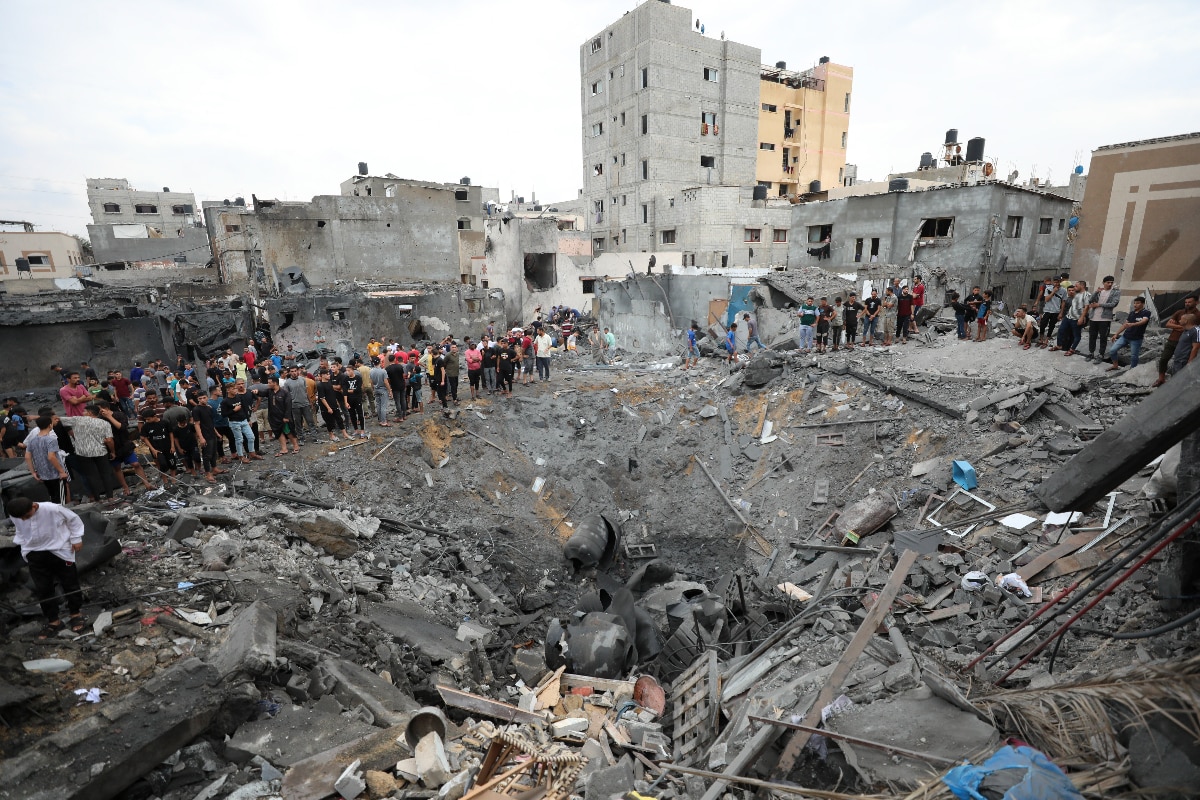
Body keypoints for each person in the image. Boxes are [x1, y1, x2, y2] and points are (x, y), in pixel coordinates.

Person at [6, 496, 87, 638]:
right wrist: (25, 546)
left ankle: (75, 613)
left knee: (70, 583)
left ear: (34, 507)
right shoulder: (17, 515)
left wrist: (76, 538)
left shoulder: (52, 509)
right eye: (21, 518)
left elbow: (73, 520)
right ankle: (53, 621)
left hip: (60, 550)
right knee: (43, 588)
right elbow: (20, 530)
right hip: (34, 553)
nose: (24, 520)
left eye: (27, 516)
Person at [60, 404, 117, 502]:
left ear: (90, 412)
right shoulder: (104, 423)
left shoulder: (77, 420)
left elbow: (58, 419)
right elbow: (109, 440)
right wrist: (112, 452)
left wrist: (36, 417)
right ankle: (110, 497)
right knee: (105, 474)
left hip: (83, 453)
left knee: (91, 475)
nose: (83, 413)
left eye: (84, 411)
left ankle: (97, 498)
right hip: (100, 451)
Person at [1154, 294, 1199, 387]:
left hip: (1187, 343)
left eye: (1190, 302)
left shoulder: (1198, 315)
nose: (1187, 304)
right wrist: (1183, 327)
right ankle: (1161, 379)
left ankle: (1182, 384)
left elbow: (1194, 329)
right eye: (1186, 302)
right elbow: (1168, 324)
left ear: (1196, 302)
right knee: (1163, 359)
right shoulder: (1179, 312)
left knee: (1182, 363)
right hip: (1173, 339)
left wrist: (1178, 327)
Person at [24, 415, 70, 504]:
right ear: (50, 425)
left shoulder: (33, 441)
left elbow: (27, 456)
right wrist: (61, 471)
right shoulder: (51, 440)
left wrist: (33, 472)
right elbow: (51, 457)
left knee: (52, 497)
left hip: (43, 474)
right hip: (55, 474)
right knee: (60, 500)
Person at [1106, 296, 1152, 371]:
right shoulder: (1132, 313)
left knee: (1134, 356)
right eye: (1134, 303)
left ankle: (1132, 370)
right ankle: (1115, 365)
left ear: (1143, 304)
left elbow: (1144, 321)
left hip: (1136, 339)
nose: (1135, 305)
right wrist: (1116, 334)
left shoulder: (1146, 313)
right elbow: (1125, 325)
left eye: (1138, 303)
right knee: (1112, 350)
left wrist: (1133, 324)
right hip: (1125, 337)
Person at [222, 381, 262, 461]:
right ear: (228, 390)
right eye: (233, 389)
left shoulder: (238, 397)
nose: (235, 390)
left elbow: (244, 408)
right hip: (234, 422)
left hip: (244, 420)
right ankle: (241, 456)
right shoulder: (225, 401)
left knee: (251, 437)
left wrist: (248, 419)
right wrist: (234, 410)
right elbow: (224, 414)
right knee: (239, 439)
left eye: (235, 388)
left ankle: (252, 453)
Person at [1085, 276, 1122, 361]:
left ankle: (1101, 354)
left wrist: (1099, 305)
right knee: (1092, 336)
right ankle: (1091, 353)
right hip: (1094, 317)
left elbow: (1113, 304)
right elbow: (1090, 301)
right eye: (1108, 282)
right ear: (1103, 283)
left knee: (1103, 337)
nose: (1110, 284)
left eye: (1111, 282)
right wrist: (1095, 292)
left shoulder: (1115, 292)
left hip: (1105, 318)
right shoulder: (1099, 291)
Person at [267, 375, 299, 455]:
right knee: (278, 433)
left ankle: (296, 446)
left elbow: (288, 405)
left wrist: (286, 416)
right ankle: (284, 448)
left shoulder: (285, 393)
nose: (268, 384)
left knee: (289, 431)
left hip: (283, 416)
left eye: (269, 383)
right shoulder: (269, 391)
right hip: (274, 417)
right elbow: (261, 392)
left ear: (275, 383)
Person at [316, 370, 348, 441]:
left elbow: (332, 393)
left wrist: (336, 401)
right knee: (329, 422)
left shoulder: (330, 383)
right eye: (327, 374)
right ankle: (331, 435)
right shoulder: (320, 385)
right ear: (323, 375)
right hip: (326, 407)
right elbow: (322, 398)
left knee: (339, 419)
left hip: (334, 404)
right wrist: (328, 408)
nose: (329, 375)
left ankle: (345, 434)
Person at [1166, 314, 1199, 378]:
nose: (1179, 320)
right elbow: (1169, 325)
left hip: (1184, 361)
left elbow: (1196, 347)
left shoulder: (1196, 331)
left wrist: (1190, 362)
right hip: (1178, 360)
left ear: (1186, 321)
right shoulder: (1186, 330)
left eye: (1181, 319)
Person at [1037, 276, 1066, 348]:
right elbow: (1046, 299)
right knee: (1043, 324)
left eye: (1058, 282)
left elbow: (1063, 302)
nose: (1057, 283)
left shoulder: (1064, 291)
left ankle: (1046, 340)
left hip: (1056, 311)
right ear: (1053, 282)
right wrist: (1053, 291)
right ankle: (1041, 339)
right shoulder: (1048, 289)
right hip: (1047, 310)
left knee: (1051, 326)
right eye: (1055, 282)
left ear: (1060, 282)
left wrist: (1061, 313)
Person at [369, 357, 391, 426]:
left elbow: (371, 382)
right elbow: (386, 382)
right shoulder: (383, 371)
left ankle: (380, 419)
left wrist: (373, 389)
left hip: (376, 389)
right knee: (383, 406)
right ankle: (384, 421)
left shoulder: (371, 371)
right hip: (383, 389)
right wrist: (389, 390)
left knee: (378, 405)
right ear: (380, 362)